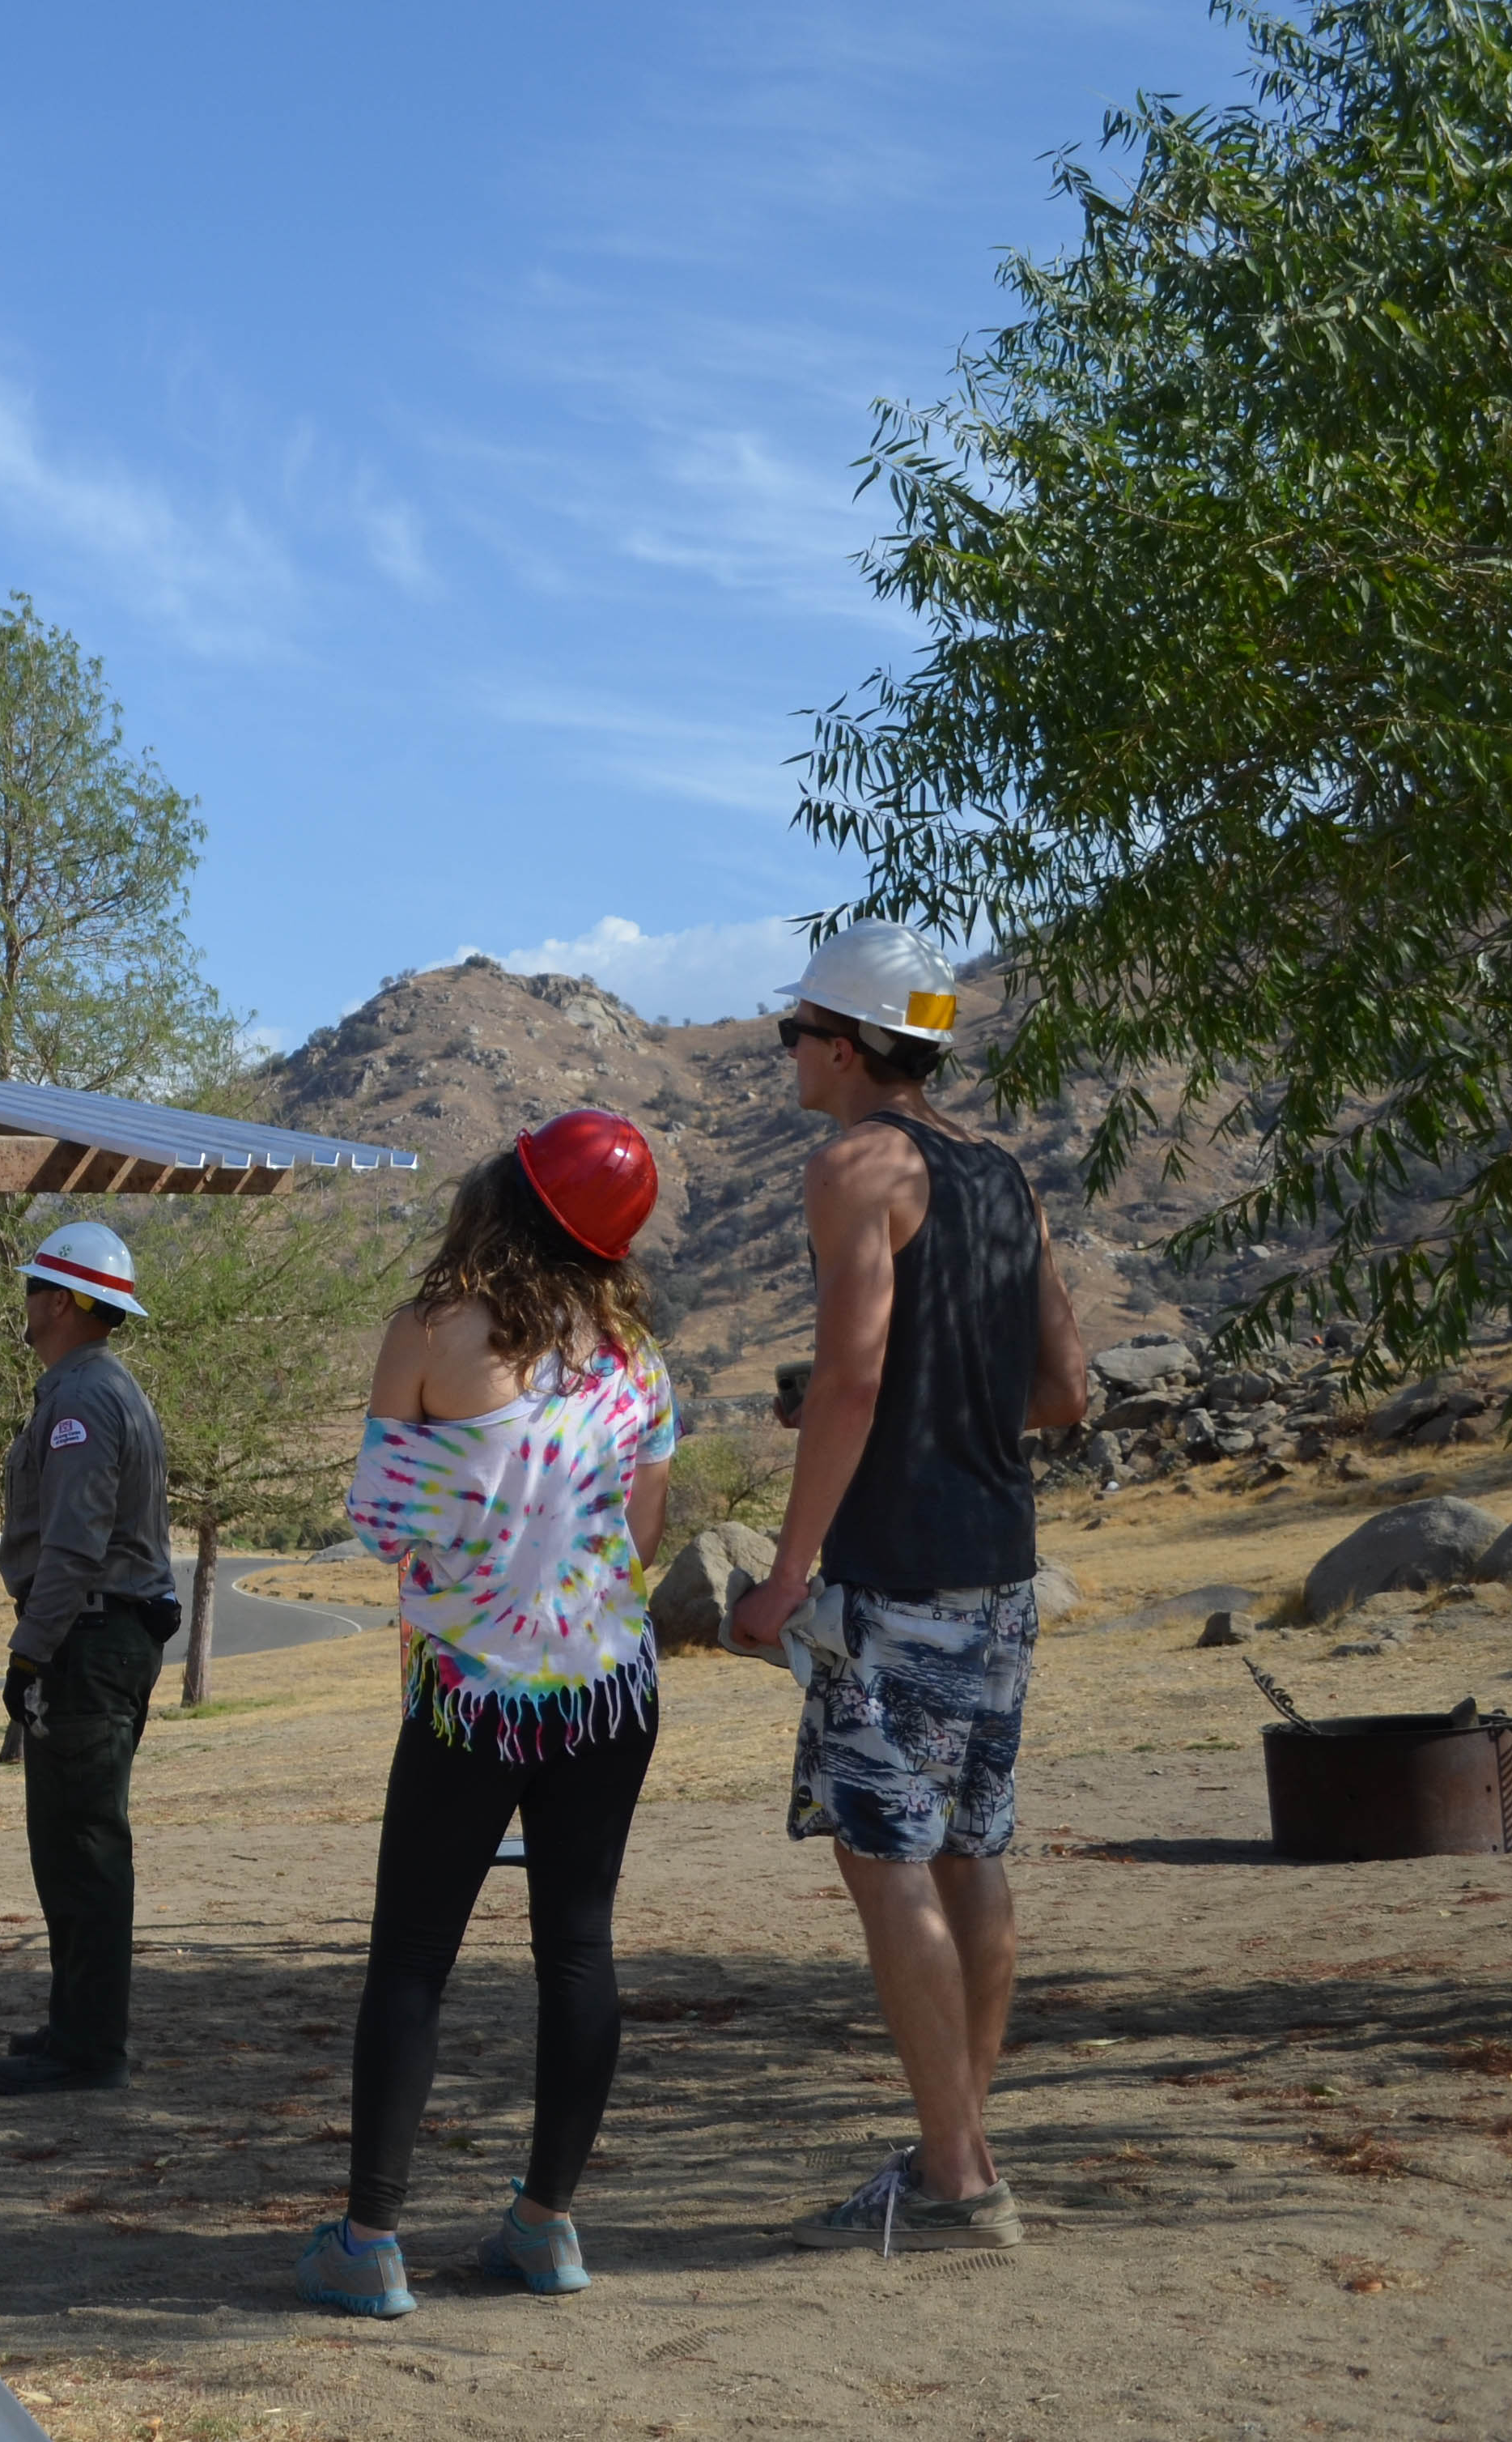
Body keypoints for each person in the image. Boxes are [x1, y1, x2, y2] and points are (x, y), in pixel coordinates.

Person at [728, 922, 1087, 2254]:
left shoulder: (852, 1167)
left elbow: (854, 1377)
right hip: (1000, 1563)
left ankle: (953, 2179)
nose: (784, 1054)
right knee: (968, 1851)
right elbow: (1063, 1390)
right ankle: (959, 2147)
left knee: (884, 1860)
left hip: (894, 1574)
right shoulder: (1003, 1176)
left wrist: (782, 1573)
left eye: (791, 1032)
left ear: (841, 1040)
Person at [295, 1113, 673, 2320]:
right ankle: (547, 2227)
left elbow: (383, 1522)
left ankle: (371, 2244)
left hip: (470, 1694)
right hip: (609, 1688)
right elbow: (647, 1536)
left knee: (412, 1956)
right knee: (579, 1947)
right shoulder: (639, 1359)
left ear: (505, 1192)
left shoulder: (430, 1335)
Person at [0, 1221, 181, 2100]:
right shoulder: (94, 1388)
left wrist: (29, 1656)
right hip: (99, 1633)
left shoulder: (80, 1401)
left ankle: (90, 2046)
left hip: (88, 1638)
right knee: (66, 1841)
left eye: (32, 1289)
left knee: (84, 1844)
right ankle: (75, 2023)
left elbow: (71, 1546)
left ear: (60, 1302)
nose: (22, 1305)